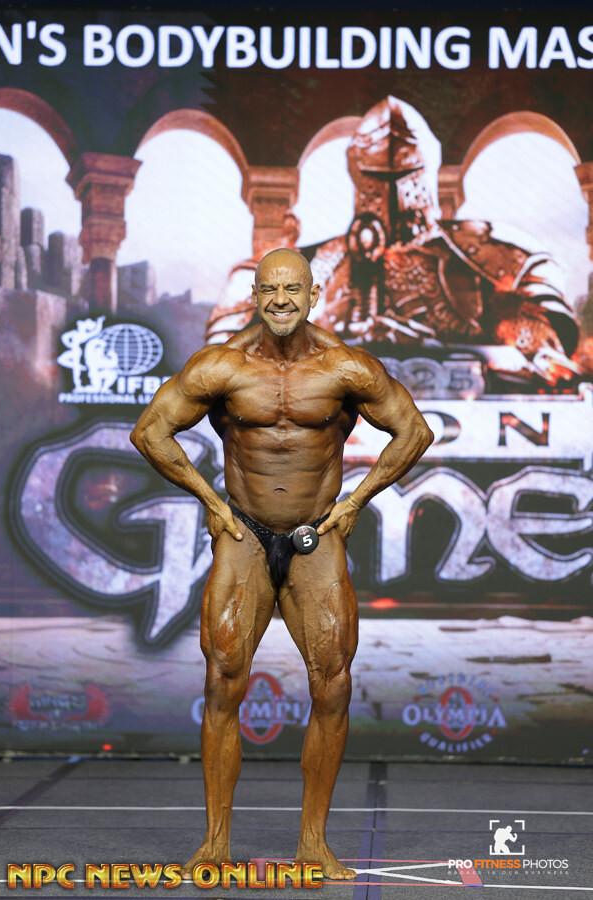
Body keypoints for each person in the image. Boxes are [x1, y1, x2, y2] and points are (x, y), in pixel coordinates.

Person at [130, 247, 434, 880]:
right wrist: (211, 500)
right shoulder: (223, 365)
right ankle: (216, 842)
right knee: (222, 682)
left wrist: (356, 500)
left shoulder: (345, 366)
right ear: (255, 296)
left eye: (292, 289)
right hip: (243, 534)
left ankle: (314, 844)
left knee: (334, 684)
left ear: (314, 293)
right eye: (269, 289)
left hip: (314, 536)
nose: (280, 300)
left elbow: (414, 431)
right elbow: (150, 431)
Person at [206, 97, 581, 390]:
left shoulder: (496, 254)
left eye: (406, 175)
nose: (392, 193)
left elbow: (547, 347)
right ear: (358, 174)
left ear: (426, 170)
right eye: (376, 178)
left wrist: (509, 332)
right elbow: (220, 367)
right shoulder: (308, 265)